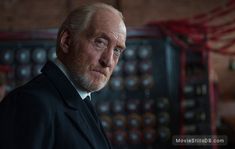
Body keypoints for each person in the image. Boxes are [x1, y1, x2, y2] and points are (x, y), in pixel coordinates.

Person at [0, 2, 126, 149]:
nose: (108, 61)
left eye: (117, 50)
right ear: (66, 41)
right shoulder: (29, 103)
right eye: (100, 42)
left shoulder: (81, 99)